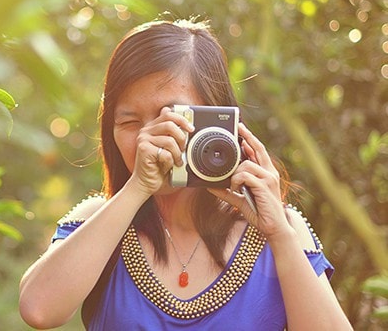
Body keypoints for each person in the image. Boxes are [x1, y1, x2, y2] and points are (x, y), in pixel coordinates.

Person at [18, 18, 352, 330]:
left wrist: (279, 233)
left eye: (170, 117)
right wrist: (138, 189)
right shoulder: (98, 222)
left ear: (217, 116)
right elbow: (39, 310)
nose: (151, 139)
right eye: (130, 123)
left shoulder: (281, 231)